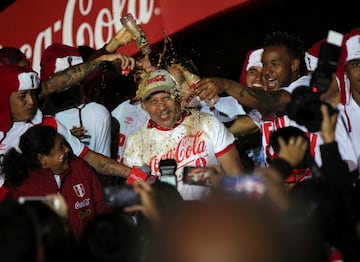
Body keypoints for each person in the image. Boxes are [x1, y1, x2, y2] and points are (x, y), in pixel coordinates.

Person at [0, 64, 144, 192]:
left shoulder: (50, 124)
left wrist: (137, 175)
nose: (31, 101)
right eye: (22, 96)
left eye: (32, 93)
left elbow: (93, 159)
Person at [123, 69, 243, 200]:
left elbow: (235, 175)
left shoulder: (207, 123)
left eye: (166, 98)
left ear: (178, 98)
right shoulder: (136, 140)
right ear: (144, 106)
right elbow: (135, 195)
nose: (162, 107)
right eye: (153, 102)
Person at [2, 125, 107, 240]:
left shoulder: (80, 168)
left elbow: (102, 206)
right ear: (42, 158)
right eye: (61, 147)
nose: (67, 150)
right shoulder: (22, 189)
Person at [40, 43, 113, 157]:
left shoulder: (96, 113)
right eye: (64, 78)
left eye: (74, 77)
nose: (68, 83)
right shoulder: (36, 116)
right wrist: (63, 140)